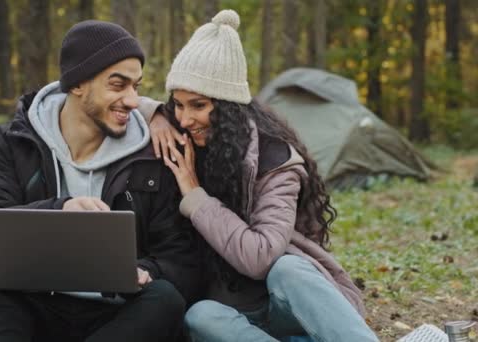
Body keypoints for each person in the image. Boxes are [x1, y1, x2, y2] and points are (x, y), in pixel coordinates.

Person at [142, 10, 379, 342]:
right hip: (237, 316)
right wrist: (153, 114)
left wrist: (195, 196)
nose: (184, 119)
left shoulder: (275, 159)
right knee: (199, 316)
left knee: (287, 267)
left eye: (198, 105)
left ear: (226, 106)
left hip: (289, 305)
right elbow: (115, 102)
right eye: (177, 105)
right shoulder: (182, 135)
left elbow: (260, 257)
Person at [0, 20, 200, 342]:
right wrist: (59, 210)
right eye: (118, 85)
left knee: (165, 301)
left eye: (137, 86)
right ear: (77, 84)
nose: (132, 100)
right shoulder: (14, 142)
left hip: (119, 312)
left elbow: (179, 255)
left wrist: (146, 271)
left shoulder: (151, 155)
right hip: (40, 303)